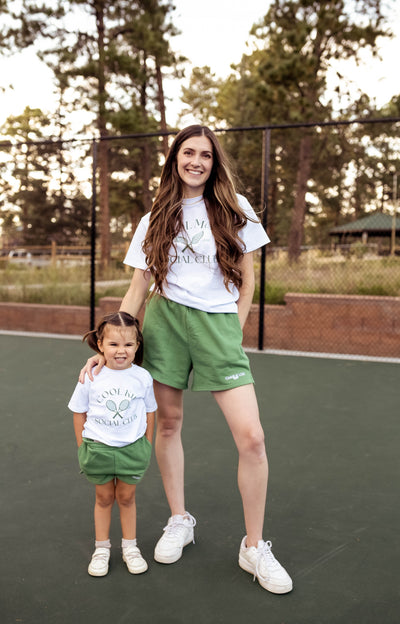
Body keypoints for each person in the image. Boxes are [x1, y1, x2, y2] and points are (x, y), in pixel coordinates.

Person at [80, 124, 293, 594]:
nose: (196, 161)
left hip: (217, 326)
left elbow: (247, 279)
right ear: (175, 158)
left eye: (205, 155)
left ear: (215, 163)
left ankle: (254, 547)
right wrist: (106, 343)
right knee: (169, 424)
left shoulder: (237, 210)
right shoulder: (156, 214)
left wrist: (233, 328)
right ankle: (180, 519)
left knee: (252, 438)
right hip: (165, 323)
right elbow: (139, 285)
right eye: (188, 152)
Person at [69, 311, 157, 577]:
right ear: (100, 345)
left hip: (133, 450)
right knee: (104, 497)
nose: (121, 351)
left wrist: (146, 445)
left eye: (128, 345)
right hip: (98, 449)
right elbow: (78, 411)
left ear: (137, 346)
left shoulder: (142, 377)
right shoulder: (91, 376)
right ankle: (102, 548)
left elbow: (150, 411)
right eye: (114, 344)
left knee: (127, 498)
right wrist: (82, 447)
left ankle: (130, 547)